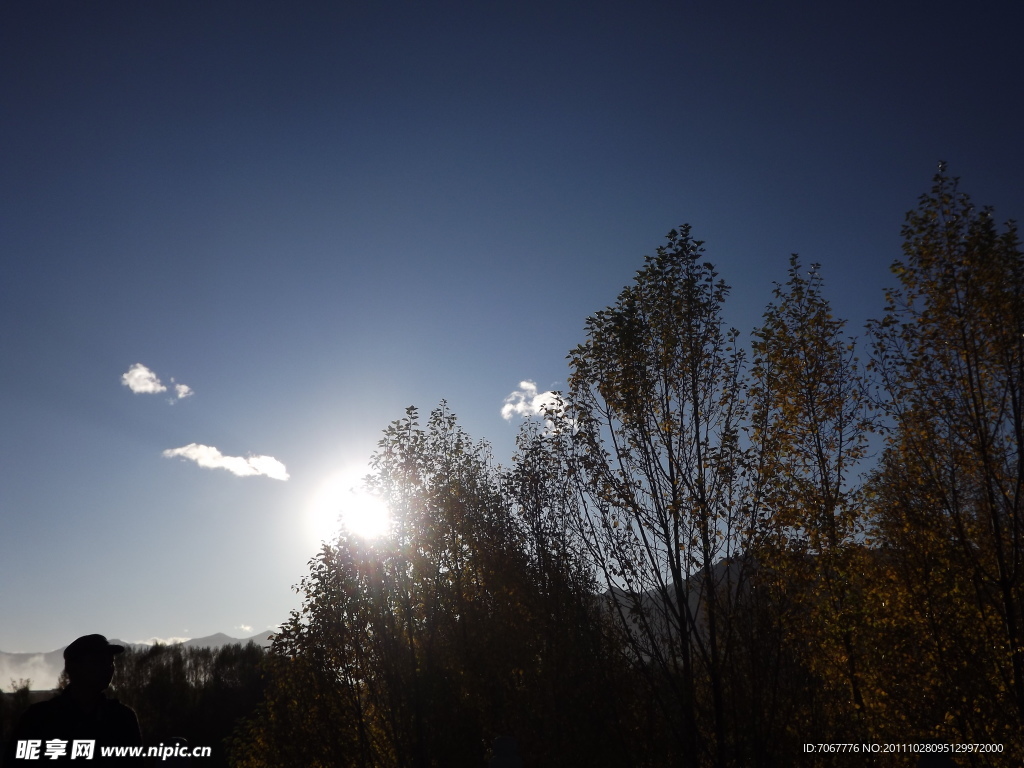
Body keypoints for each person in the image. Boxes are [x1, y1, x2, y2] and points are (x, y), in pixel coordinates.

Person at [3, 634, 143, 766]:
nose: (109, 668)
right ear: (74, 668)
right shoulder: (37, 719)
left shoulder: (122, 718)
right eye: (98, 661)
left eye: (111, 662)